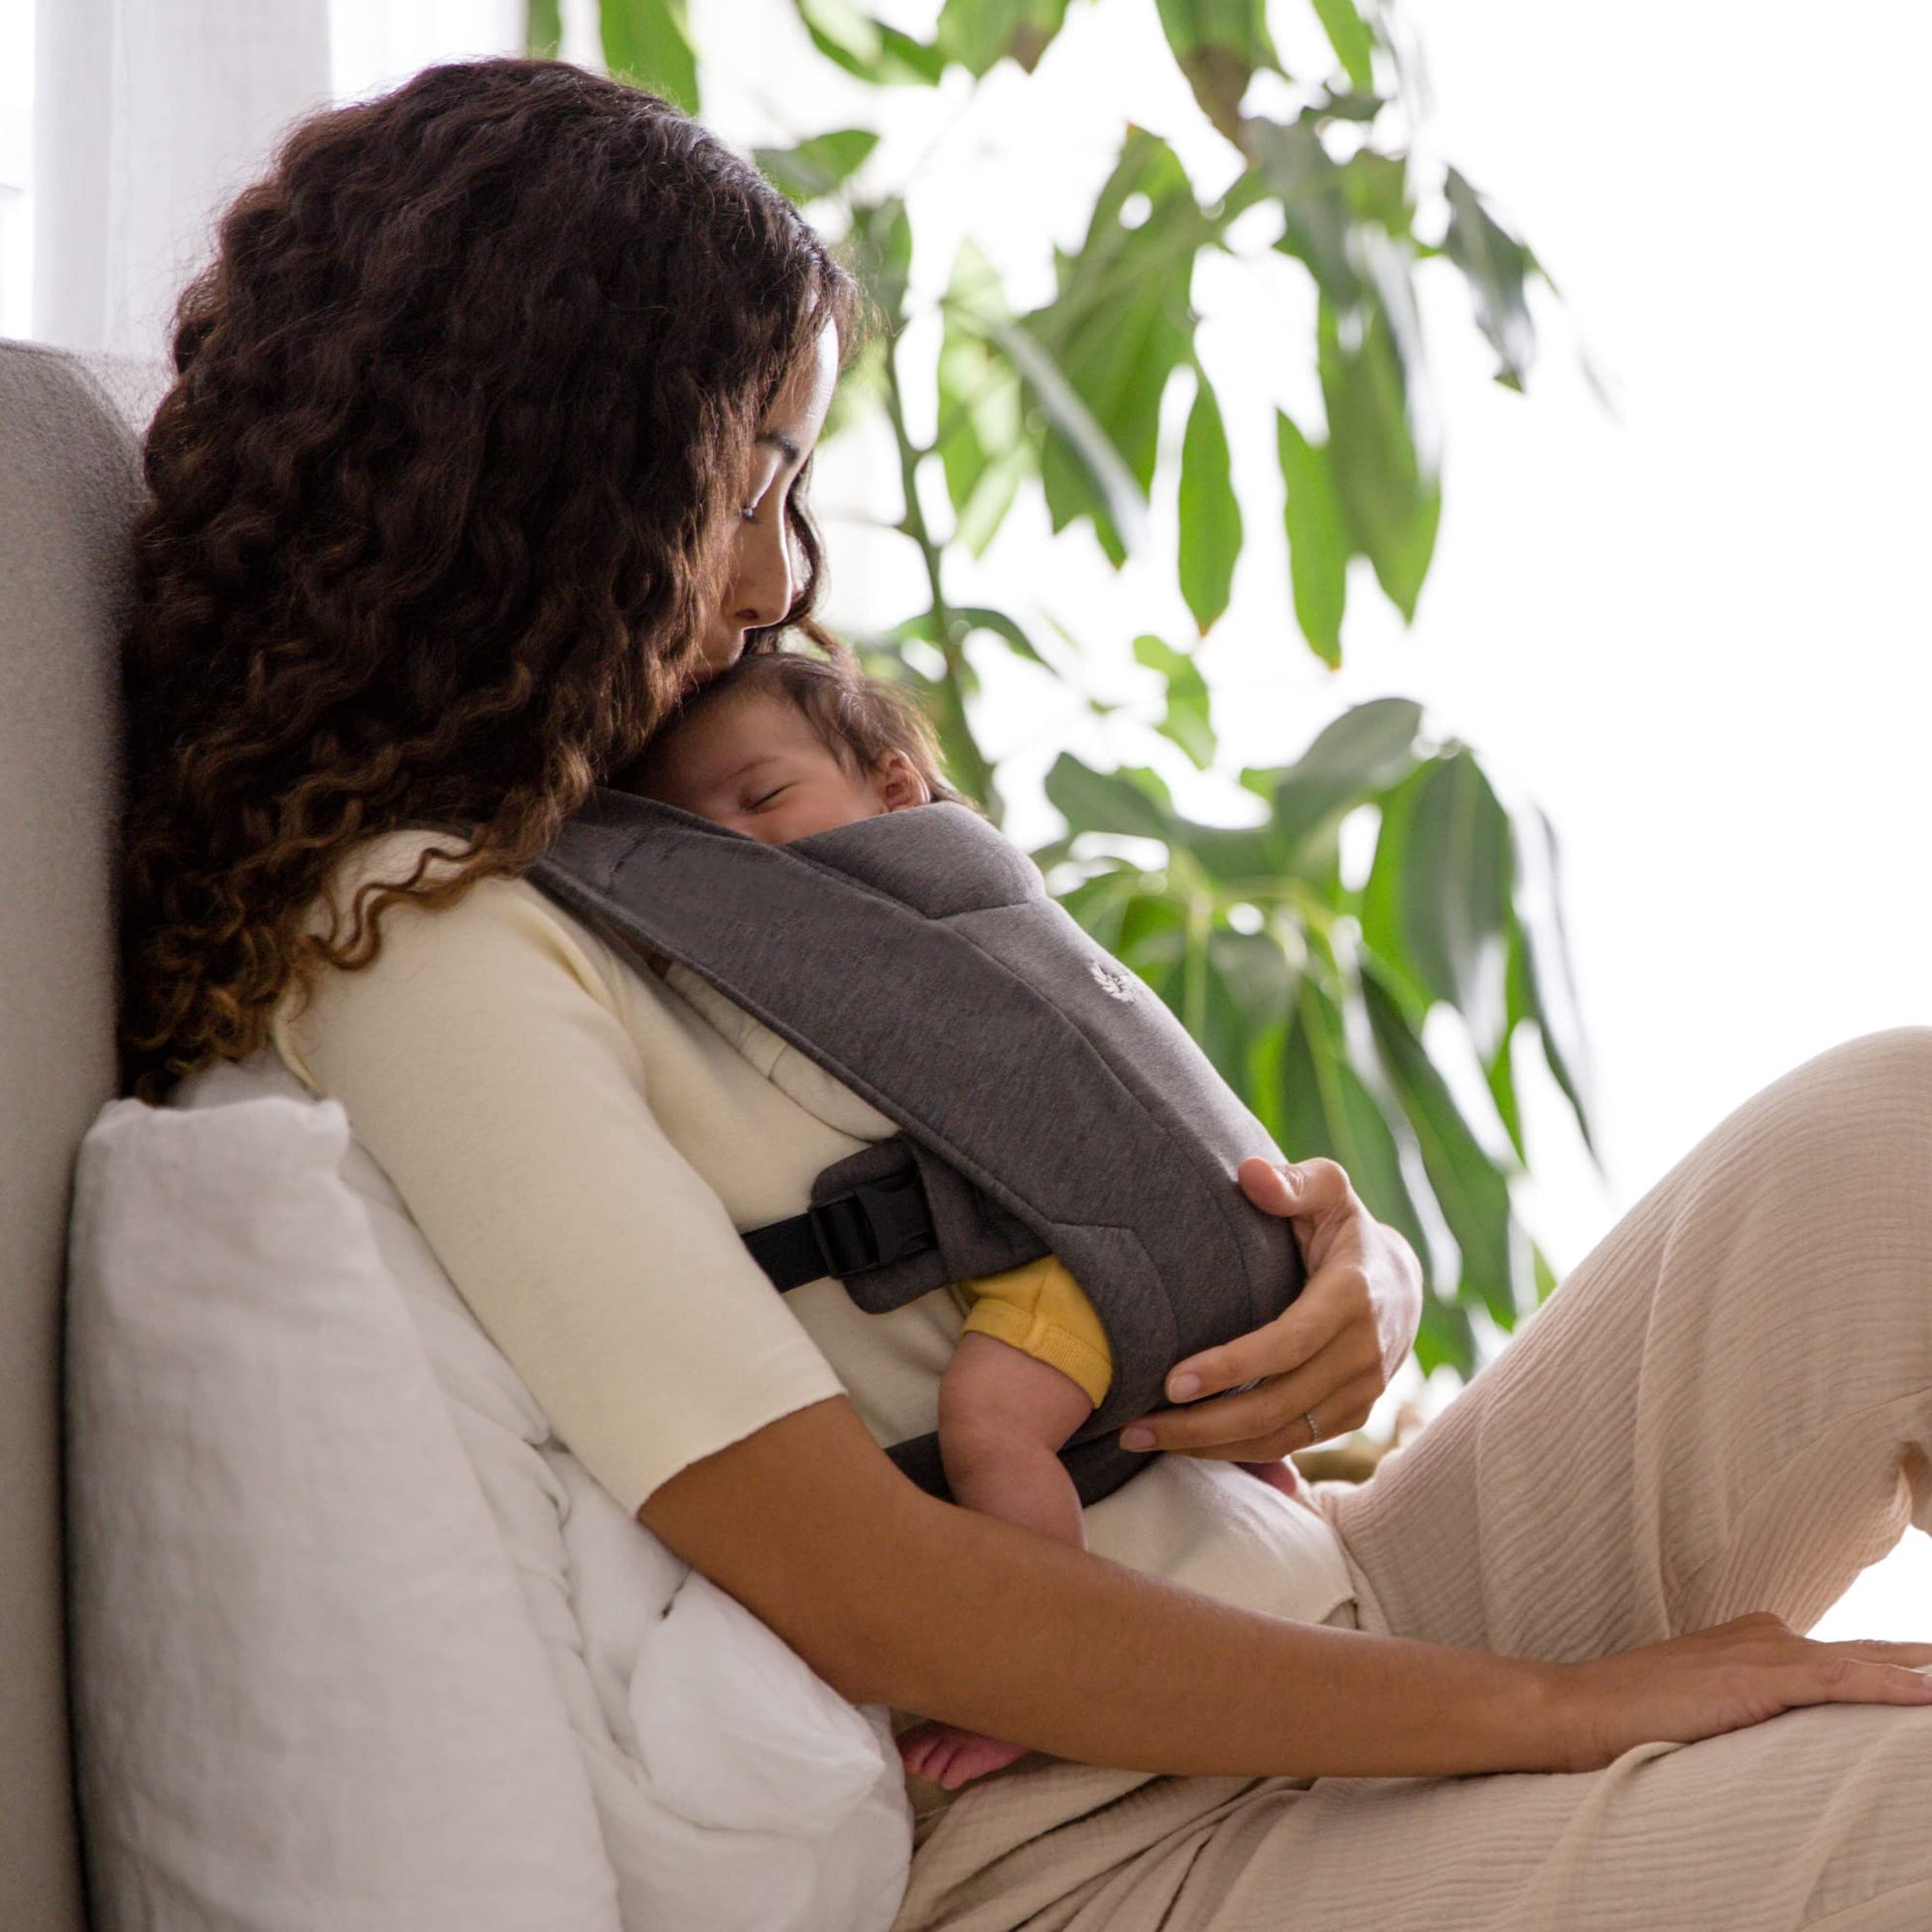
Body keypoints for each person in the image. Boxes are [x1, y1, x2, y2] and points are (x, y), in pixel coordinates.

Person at [115, 55, 1932, 1931]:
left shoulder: (669, 797)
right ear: (566, 481)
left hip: (1324, 1596)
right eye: (745, 485)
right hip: (1100, 1834)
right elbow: (863, 1583)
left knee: (1898, 1139)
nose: (774, 574)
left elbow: (1064, 1155)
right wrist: (1569, 1715)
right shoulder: (423, 942)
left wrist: (1344, 1273)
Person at [610, 642, 1317, 1789]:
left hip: (1088, 1261)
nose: (734, 851)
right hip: (1226, 1221)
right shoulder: (983, 886)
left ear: (893, 790)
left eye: (764, 798)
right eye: (694, 836)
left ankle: (1036, 1673)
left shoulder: (893, 902)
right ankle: (1259, 1475)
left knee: (990, 1422)